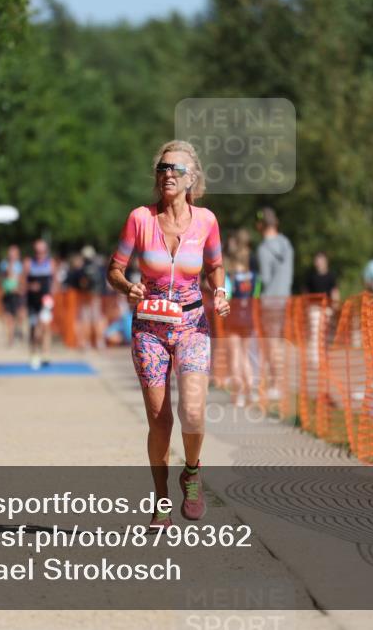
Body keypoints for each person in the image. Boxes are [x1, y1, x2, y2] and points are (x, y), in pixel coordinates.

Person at [106, 140, 229, 531]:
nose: (167, 175)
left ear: (192, 177)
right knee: (160, 421)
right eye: (162, 168)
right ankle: (161, 502)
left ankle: (191, 474)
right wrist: (128, 287)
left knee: (192, 412)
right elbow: (114, 269)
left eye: (175, 169)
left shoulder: (206, 221)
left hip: (192, 326)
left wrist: (221, 292)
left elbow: (215, 266)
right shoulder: (140, 219)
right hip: (150, 330)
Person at [255, 207, 293, 402]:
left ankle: (275, 384)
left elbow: (265, 279)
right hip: (285, 298)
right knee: (279, 341)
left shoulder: (263, 249)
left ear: (261, 225)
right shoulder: (286, 244)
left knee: (271, 343)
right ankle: (278, 383)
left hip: (270, 301)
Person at [224, 236, 258, 408]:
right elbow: (256, 296)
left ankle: (238, 396)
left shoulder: (230, 277)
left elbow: (227, 297)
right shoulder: (253, 278)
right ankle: (250, 390)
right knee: (245, 356)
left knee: (235, 357)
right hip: (248, 319)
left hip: (233, 319)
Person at [24, 239, 57, 368]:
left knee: (45, 327)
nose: (40, 254)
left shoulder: (51, 263)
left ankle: (46, 354)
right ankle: (33, 353)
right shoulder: (28, 263)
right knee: (34, 329)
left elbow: (54, 281)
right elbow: (22, 282)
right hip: (32, 301)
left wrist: (52, 294)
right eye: (37, 252)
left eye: (42, 252)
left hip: (46, 302)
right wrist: (30, 286)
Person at [0, 245, 24, 347]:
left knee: (19, 315)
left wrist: (20, 289)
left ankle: (17, 331)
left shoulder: (19, 266)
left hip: (17, 295)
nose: (11, 256)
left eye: (13, 254)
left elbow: (21, 279)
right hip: (7, 294)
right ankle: (11, 339)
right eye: (10, 254)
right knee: (7, 318)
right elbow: (2, 277)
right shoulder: (4, 264)